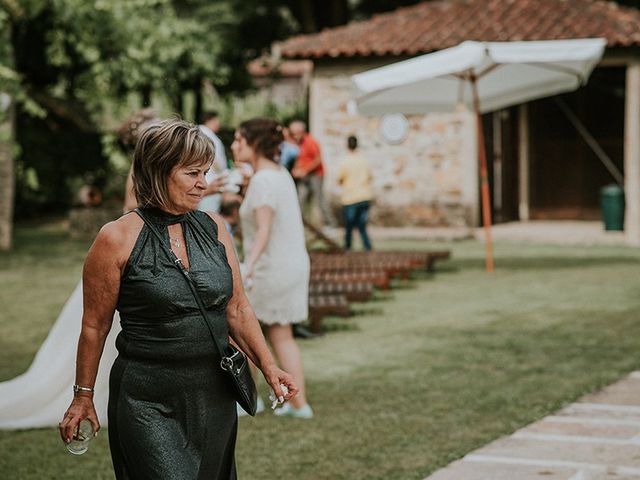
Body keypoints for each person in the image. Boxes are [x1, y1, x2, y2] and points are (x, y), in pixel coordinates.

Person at [59, 118, 298, 479]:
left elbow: (237, 307)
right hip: (146, 399)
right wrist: (83, 395)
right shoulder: (115, 239)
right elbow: (94, 326)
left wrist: (269, 366)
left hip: (213, 395)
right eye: (192, 173)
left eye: (205, 172)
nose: (204, 183)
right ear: (158, 171)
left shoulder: (215, 227)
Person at [233, 118, 314, 419]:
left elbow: (263, 230)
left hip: (271, 266)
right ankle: (298, 403)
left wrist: (247, 268)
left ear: (253, 144)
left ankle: (247, 400)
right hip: (291, 262)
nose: (233, 146)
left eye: (238, 140)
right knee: (281, 334)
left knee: (245, 333)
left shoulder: (263, 181)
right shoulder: (279, 174)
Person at [289, 120, 335, 227]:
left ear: (301, 132)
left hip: (316, 175)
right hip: (305, 176)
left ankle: (330, 223)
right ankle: (297, 223)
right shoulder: (298, 144)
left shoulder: (311, 142)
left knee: (319, 199)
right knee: (300, 198)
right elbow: (300, 159)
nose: (294, 136)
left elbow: (318, 159)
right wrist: (296, 169)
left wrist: (305, 170)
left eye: (295, 133)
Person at [337, 135, 373, 251]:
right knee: (362, 225)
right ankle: (367, 246)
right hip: (364, 195)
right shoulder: (363, 160)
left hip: (350, 197)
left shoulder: (345, 161)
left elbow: (340, 179)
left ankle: (347, 247)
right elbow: (370, 177)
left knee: (349, 225)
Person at [198, 110, 229, 212]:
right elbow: (215, 161)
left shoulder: (196, 131)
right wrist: (224, 174)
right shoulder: (209, 135)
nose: (218, 124)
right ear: (211, 120)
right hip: (210, 181)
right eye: (217, 120)